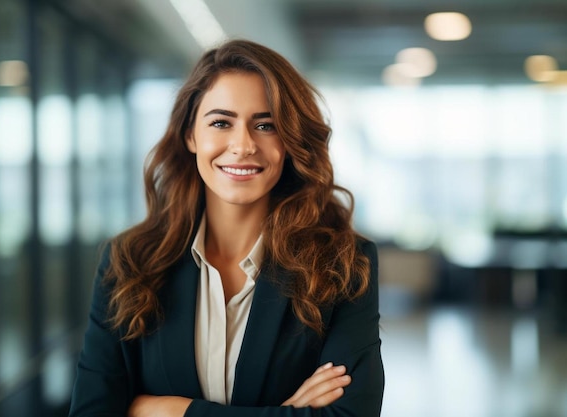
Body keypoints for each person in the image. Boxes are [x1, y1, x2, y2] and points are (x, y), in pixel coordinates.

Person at [68, 39, 384, 417]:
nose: (244, 145)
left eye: (266, 125)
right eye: (221, 122)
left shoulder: (344, 264)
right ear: (190, 135)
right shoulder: (129, 261)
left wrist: (170, 412)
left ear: (290, 141)